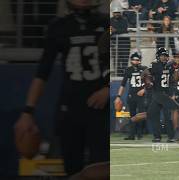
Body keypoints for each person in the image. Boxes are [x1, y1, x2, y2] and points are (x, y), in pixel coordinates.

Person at [14, 0, 108, 176]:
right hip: (71, 107)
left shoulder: (107, 23)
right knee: (72, 169)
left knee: (101, 169)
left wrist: (109, 89)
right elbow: (43, 72)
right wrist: (27, 112)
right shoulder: (59, 26)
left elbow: (122, 62)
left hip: (101, 109)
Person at [142, 47, 179, 142]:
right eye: (162, 56)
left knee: (155, 114)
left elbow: (176, 79)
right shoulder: (154, 65)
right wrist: (148, 81)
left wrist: (176, 70)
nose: (164, 57)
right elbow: (144, 73)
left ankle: (165, 137)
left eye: (165, 56)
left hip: (165, 93)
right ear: (158, 56)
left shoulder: (171, 66)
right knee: (159, 113)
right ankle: (163, 136)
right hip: (157, 92)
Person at [114, 52, 148, 140]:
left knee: (141, 114)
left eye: (137, 60)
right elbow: (123, 84)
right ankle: (131, 134)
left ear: (140, 60)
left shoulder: (144, 69)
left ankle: (140, 133)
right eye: (133, 59)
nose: (135, 61)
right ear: (131, 60)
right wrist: (118, 96)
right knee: (132, 114)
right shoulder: (128, 70)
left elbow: (150, 82)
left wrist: (144, 89)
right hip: (131, 95)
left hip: (141, 96)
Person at [110, 7, 130, 75]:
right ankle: (117, 75)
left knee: (124, 60)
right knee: (116, 61)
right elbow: (110, 31)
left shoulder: (124, 20)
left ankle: (125, 75)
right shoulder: (110, 20)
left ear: (120, 13)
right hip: (114, 43)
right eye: (115, 13)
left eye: (118, 12)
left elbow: (125, 30)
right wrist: (113, 31)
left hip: (124, 43)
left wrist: (115, 30)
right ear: (113, 13)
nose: (117, 14)